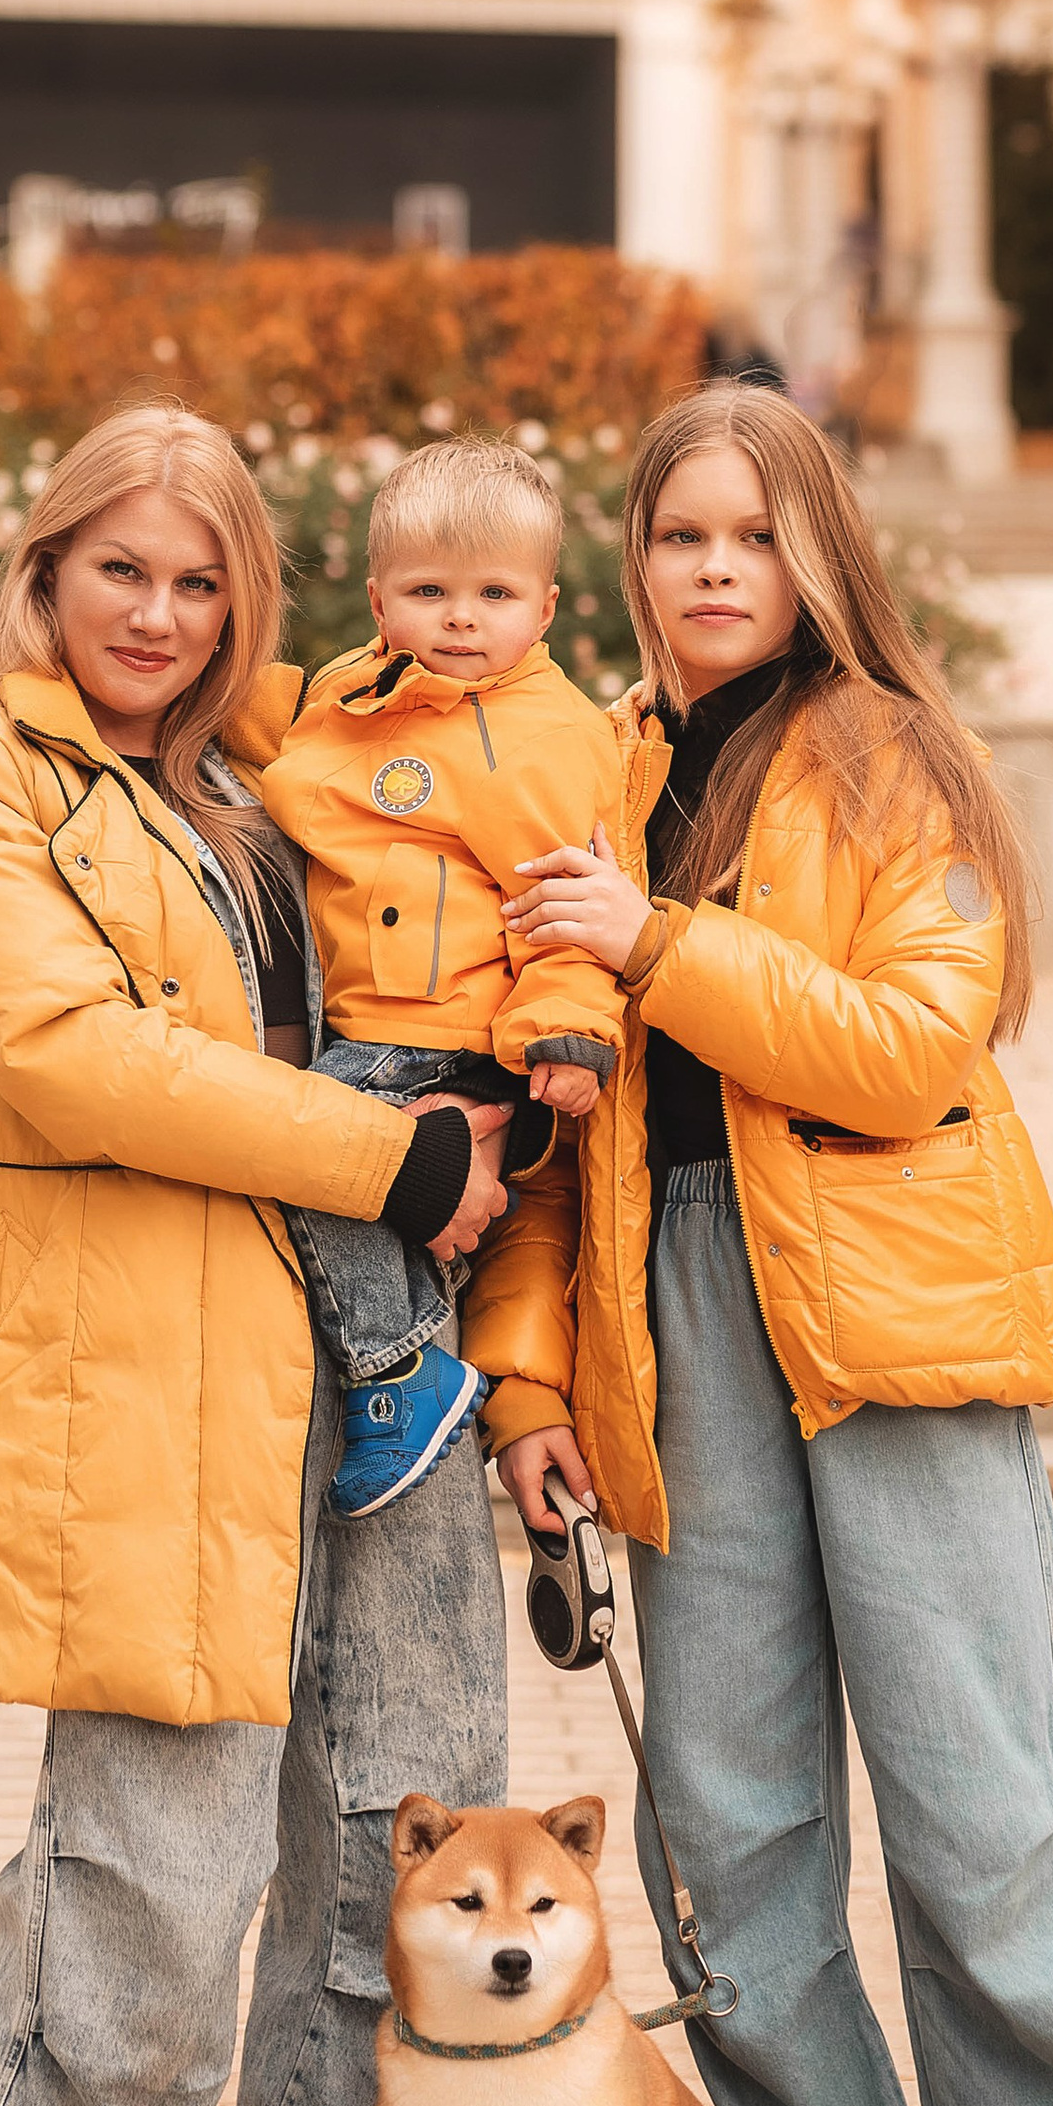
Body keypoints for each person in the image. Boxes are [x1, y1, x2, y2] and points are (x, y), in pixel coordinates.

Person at [467, 382, 1053, 2106]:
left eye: (751, 534)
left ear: (817, 555)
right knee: (732, 1832)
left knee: (983, 1815)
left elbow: (904, 1049)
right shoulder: (585, 767)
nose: (712, 571)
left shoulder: (894, 758)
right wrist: (526, 1373)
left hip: (886, 1323)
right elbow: (541, 1122)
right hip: (668, 1317)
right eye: (677, 534)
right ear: (634, 559)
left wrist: (657, 944)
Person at [0, 404, 517, 2106]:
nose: (158, 609)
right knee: (138, 1890)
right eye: (119, 566)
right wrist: (401, 1156)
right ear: (42, 574)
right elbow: (74, 1060)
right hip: (128, 1392)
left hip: (369, 1389)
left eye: (201, 576)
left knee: (368, 1860)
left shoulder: (261, 796)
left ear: (245, 608)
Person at [251, 435, 626, 1514]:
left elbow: (568, 903)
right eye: (429, 591)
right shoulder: (353, 693)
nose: (462, 618)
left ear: (545, 609)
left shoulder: (541, 738)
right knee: (332, 1159)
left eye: (493, 593)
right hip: (364, 1024)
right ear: (379, 600)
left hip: (461, 1030)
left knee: (309, 1137)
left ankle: (398, 1369)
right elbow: (278, 742)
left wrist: (569, 1036)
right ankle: (403, 1362)